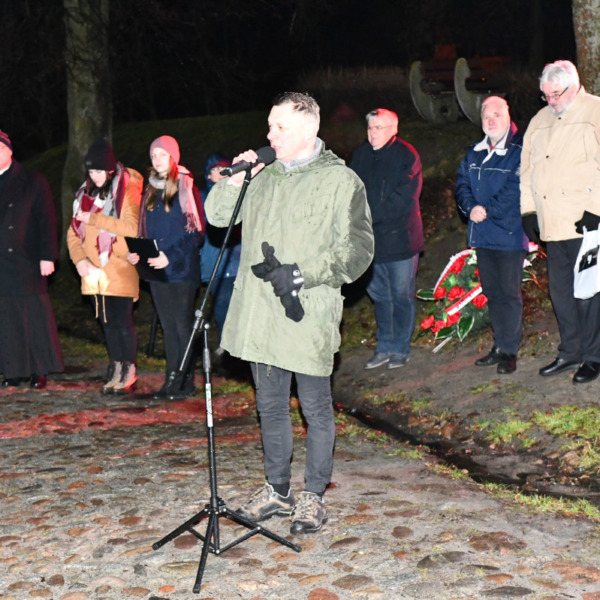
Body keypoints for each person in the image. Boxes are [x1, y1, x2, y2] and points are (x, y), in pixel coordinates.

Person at [205, 92, 374, 535]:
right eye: (269, 125)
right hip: (261, 314)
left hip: (306, 314)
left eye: (279, 127)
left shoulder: (341, 181)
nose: (270, 134)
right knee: (270, 405)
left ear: (308, 129)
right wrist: (237, 178)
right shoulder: (262, 176)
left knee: (315, 408)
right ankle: (277, 490)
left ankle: (313, 495)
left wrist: (303, 273)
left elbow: (358, 251)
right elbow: (217, 218)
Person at [521, 60, 600, 384]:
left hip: (586, 225)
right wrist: (528, 211)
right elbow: (527, 170)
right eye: (546, 96)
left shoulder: (595, 111)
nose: (551, 101)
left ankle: (593, 356)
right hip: (552, 225)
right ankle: (570, 351)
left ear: (574, 86)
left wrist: (596, 209)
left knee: (588, 294)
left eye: (556, 94)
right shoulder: (539, 121)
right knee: (562, 294)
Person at [128, 135, 204, 398]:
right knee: (168, 326)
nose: (158, 159)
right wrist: (138, 253)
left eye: (162, 154)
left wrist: (169, 256)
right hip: (155, 269)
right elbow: (146, 230)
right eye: (154, 155)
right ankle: (173, 377)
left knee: (182, 325)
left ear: (173, 157)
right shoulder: (149, 190)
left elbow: (196, 233)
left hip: (180, 268)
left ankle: (184, 379)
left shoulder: (186, 186)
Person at [456, 96, 528, 374]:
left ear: (508, 117)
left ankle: (509, 351)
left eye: (497, 115)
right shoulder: (474, 152)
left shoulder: (520, 150)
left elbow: (515, 189)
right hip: (483, 235)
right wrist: (470, 207)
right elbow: (462, 184)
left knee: (509, 294)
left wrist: (486, 209)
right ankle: (499, 344)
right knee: (493, 293)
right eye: (486, 116)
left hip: (509, 234)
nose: (491, 120)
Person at [349, 108, 424, 370]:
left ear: (394, 129)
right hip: (371, 243)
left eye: (378, 127)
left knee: (401, 296)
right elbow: (350, 191)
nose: (373, 133)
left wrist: (369, 216)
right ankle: (384, 346)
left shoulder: (406, 155)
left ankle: (400, 348)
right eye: (370, 128)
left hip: (401, 239)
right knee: (380, 296)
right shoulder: (360, 155)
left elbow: (405, 197)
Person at [67, 139, 143, 394]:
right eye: (91, 171)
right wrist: (79, 260)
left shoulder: (126, 191)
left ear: (110, 170)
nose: (95, 176)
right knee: (107, 324)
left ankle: (129, 369)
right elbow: (72, 233)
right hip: (92, 271)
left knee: (122, 322)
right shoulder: (83, 195)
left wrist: (95, 219)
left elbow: (132, 228)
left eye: (99, 171)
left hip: (119, 267)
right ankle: (116, 367)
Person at [0, 130, 63, 389]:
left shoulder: (33, 180)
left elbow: (47, 220)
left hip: (27, 259)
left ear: (9, 150)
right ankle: (12, 371)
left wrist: (48, 256)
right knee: (7, 318)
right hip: (1, 262)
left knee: (34, 317)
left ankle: (39, 369)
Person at [199, 154, 241, 352]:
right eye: (215, 169)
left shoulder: (239, 193)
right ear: (208, 176)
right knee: (222, 303)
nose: (221, 172)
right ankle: (228, 344)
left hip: (236, 261)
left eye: (224, 168)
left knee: (236, 304)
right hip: (213, 262)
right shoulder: (201, 198)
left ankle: (236, 345)